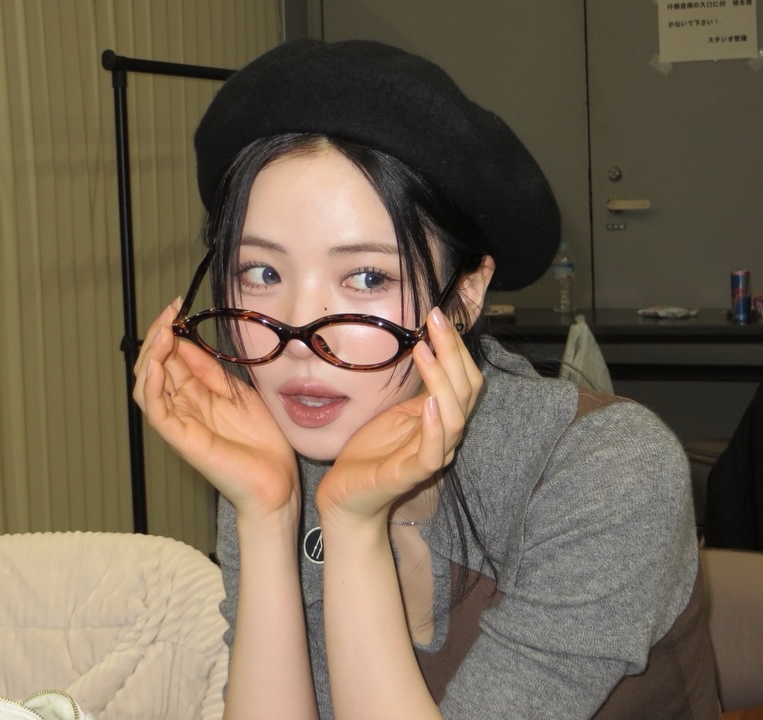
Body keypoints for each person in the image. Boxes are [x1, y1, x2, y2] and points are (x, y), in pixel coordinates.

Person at [133, 39, 718, 719]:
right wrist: (266, 513)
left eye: (367, 277)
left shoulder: (608, 471)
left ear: (465, 294)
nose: (299, 336)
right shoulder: (275, 451)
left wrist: (354, 527)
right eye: (262, 272)